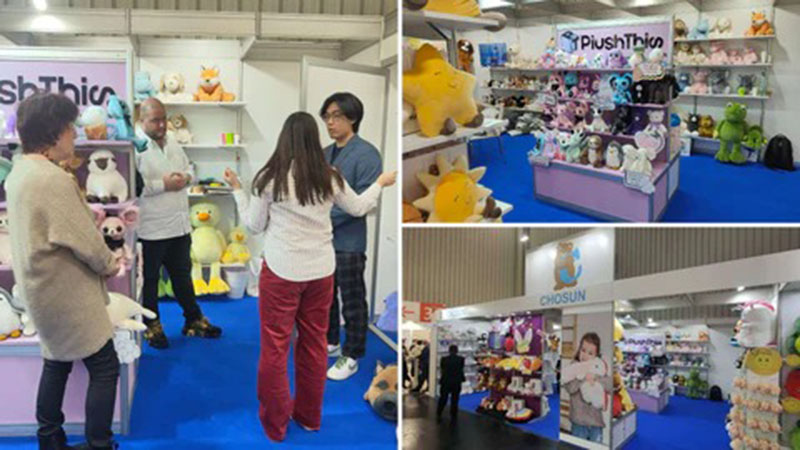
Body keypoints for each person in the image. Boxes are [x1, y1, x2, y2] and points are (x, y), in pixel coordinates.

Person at [222, 111, 395, 442]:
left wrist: (237, 190)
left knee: (275, 347)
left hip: (282, 271)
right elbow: (358, 208)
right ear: (314, 139)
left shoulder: (269, 178)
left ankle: (275, 425)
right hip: (320, 272)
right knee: (314, 345)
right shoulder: (328, 175)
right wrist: (379, 183)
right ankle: (309, 417)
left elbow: (254, 225)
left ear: (284, 139)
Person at [6, 92, 125, 450]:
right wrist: (110, 263)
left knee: (56, 362)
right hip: (66, 292)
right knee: (105, 366)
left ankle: (50, 439)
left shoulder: (20, 171)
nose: (75, 135)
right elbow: (85, 240)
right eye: (71, 128)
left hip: (40, 288)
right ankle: (99, 443)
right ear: (54, 132)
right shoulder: (51, 180)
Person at [135, 97, 221, 349]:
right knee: (149, 283)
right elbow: (134, 187)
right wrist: (165, 184)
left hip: (179, 226)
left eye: (163, 118)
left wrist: (185, 177)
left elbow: (190, 168)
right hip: (151, 229)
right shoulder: (136, 148)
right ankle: (152, 326)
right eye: (155, 120)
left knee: (183, 277)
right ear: (142, 121)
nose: (161, 125)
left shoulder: (172, 141)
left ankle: (193, 319)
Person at [320, 93, 382, 381]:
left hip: (349, 242)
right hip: (322, 241)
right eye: (327, 117)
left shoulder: (367, 154)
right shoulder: (324, 153)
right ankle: (331, 340)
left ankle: (353, 353)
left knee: (353, 299)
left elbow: (363, 203)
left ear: (352, 118)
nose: (330, 122)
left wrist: (321, 219)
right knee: (326, 296)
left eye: (336, 116)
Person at [562, 332, 612, 443]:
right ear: (579, 349)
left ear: (596, 355)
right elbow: (570, 388)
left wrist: (595, 378)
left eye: (590, 353)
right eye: (583, 350)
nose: (585, 355)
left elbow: (609, 385)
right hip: (579, 421)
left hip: (595, 421)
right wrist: (583, 376)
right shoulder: (573, 367)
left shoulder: (598, 367)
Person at [437, 344, 465, 422]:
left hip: (446, 381)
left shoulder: (444, 359)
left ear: (449, 351)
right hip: (456, 382)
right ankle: (453, 415)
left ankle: (439, 412)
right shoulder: (461, 359)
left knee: (443, 398)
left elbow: (442, 369)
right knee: (455, 399)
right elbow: (461, 369)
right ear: (457, 351)